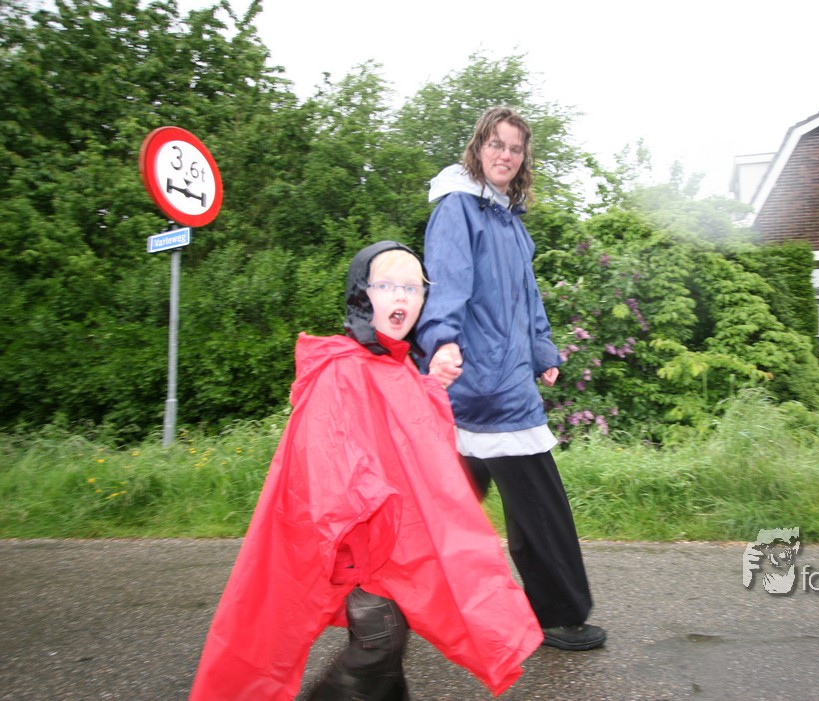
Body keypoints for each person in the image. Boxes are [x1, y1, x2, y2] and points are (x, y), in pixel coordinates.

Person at [188, 241, 541, 701]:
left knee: (387, 649)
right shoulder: (340, 369)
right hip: (361, 550)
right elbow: (325, 466)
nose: (402, 296)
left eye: (413, 288)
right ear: (361, 295)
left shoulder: (394, 365)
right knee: (380, 643)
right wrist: (359, 534)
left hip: (393, 547)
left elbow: (417, 447)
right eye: (387, 285)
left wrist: (432, 387)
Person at [416, 106, 607, 652]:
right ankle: (559, 614)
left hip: (506, 378)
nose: (505, 155)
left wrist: (542, 349)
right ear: (478, 147)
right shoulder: (458, 209)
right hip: (485, 387)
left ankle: (390, 592)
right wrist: (442, 340)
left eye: (515, 148)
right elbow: (446, 282)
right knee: (539, 505)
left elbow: (527, 297)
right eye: (496, 144)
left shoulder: (510, 222)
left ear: (523, 160)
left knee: (445, 507)